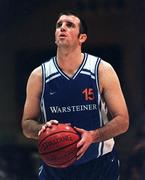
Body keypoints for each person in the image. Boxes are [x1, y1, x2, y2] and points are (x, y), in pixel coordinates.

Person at [22, 11, 129, 180]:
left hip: (99, 164)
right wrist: (40, 129)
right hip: (55, 167)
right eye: (59, 25)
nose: (62, 28)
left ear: (82, 38)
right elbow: (27, 125)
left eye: (69, 25)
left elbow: (123, 121)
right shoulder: (38, 76)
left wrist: (93, 136)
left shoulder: (102, 70)